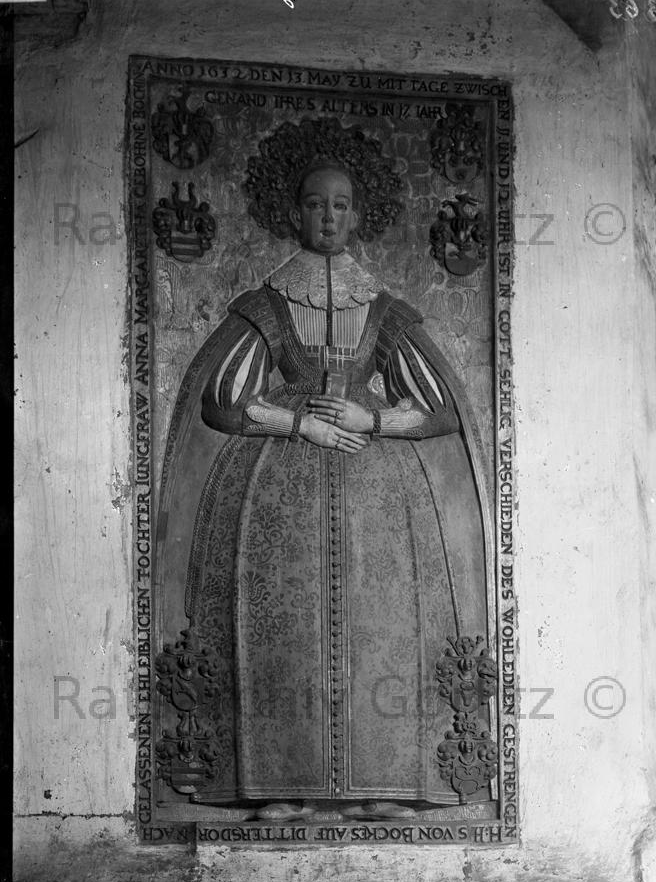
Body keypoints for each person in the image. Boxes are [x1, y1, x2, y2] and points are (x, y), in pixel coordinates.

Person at [155, 120, 493, 821]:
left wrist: (372, 419)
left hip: (378, 497)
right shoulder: (269, 304)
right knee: (281, 635)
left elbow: (439, 405)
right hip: (276, 493)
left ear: (358, 214)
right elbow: (222, 397)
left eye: (340, 205)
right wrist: (298, 423)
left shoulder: (383, 308)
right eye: (315, 204)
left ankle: (383, 782)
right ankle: (279, 784)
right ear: (294, 213)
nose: (328, 217)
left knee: (382, 627)